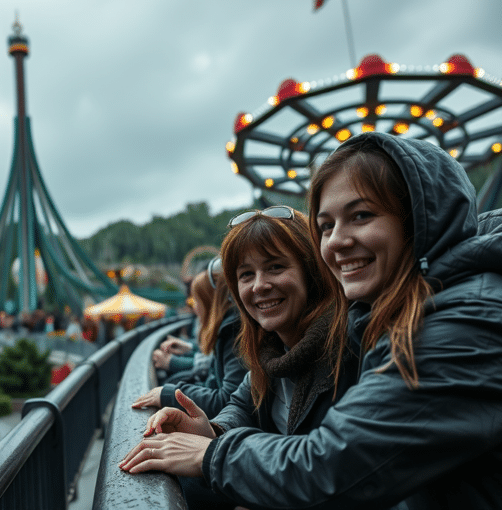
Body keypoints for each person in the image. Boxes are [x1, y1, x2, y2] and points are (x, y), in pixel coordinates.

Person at [122, 131, 502, 509]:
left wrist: (212, 453)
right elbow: (245, 401)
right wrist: (214, 433)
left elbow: (335, 465)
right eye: (326, 226)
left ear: (419, 220)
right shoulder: (369, 317)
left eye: (361, 215)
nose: (338, 241)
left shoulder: (464, 322)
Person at [122, 205, 355, 509]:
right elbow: (241, 406)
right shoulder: (269, 352)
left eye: (275, 267)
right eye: (246, 275)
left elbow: (329, 464)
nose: (259, 285)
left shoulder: (349, 349)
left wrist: (211, 453)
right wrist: (211, 430)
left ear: (312, 272)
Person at [131, 269, 246, 418]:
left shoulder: (232, 332)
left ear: (209, 302)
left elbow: (226, 400)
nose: (193, 307)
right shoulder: (227, 329)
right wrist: (190, 348)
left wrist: (170, 392)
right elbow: (212, 365)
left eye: (195, 301)